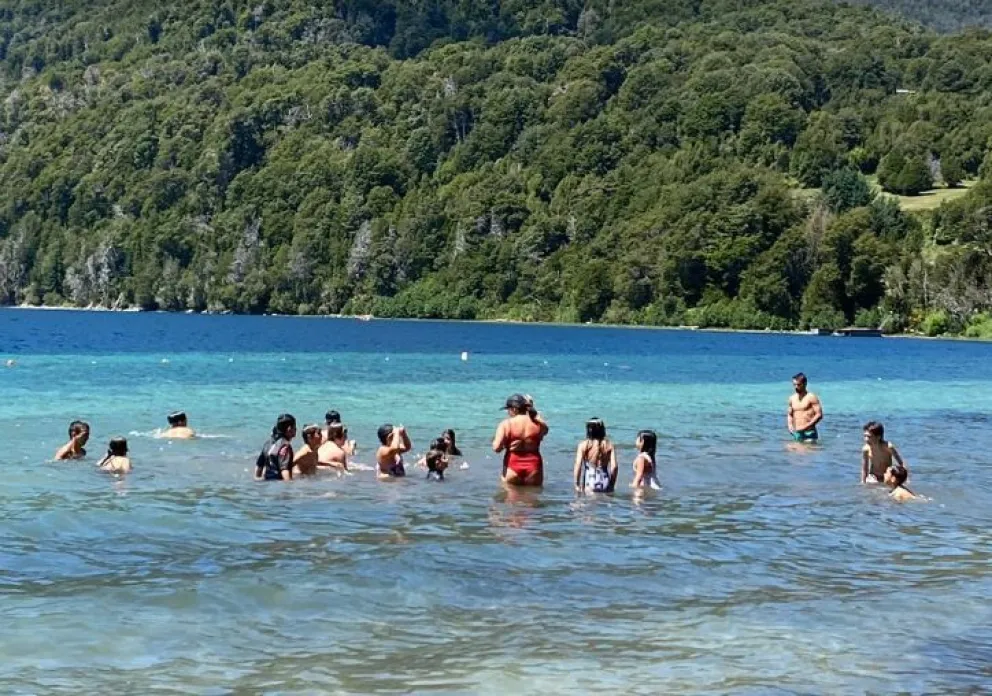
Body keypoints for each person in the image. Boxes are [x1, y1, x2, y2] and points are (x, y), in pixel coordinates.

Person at [492, 394, 548, 487]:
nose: (508, 412)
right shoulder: (536, 423)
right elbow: (546, 430)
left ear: (514, 409)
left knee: (510, 498)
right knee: (533, 498)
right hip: (534, 465)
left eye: (508, 409)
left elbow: (496, 448)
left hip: (512, 465)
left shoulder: (506, 424)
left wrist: (499, 443)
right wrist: (533, 410)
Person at [573, 418, 618, 493]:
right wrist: (612, 484)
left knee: (589, 503)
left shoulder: (583, 445)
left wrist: (576, 484)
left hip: (590, 480)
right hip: (605, 480)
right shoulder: (609, 445)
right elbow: (614, 467)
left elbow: (578, 465)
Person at [254, 414, 296, 482]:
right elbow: (284, 470)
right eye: (295, 427)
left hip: (267, 482)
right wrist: (289, 488)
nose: (296, 429)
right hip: (278, 485)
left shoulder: (268, 443)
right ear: (289, 429)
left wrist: (257, 482)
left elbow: (259, 466)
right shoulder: (285, 446)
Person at [787, 372, 823, 443]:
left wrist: (806, 426)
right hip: (797, 432)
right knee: (792, 452)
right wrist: (790, 425)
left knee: (808, 452)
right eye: (794, 385)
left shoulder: (811, 397)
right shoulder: (792, 398)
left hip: (809, 432)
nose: (796, 387)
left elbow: (819, 415)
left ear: (805, 384)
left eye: (798, 385)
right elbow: (789, 414)